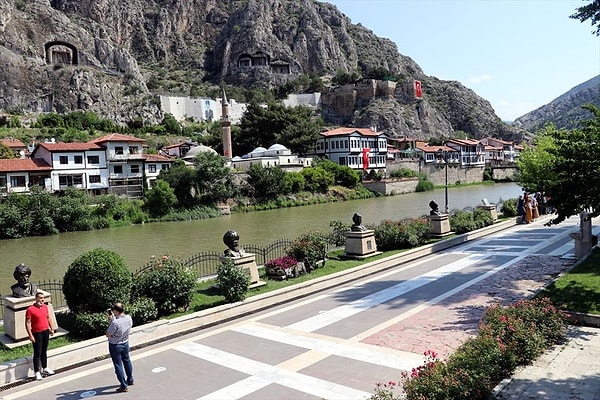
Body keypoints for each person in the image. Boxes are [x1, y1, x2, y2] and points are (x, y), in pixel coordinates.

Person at [25, 292, 55, 381]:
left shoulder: (45, 307)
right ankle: (37, 372)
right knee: (37, 353)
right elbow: (27, 323)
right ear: (36, 298)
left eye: (43, 298)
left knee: (44, 351)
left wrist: (51, 328)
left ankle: (45, 368)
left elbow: (48, 317)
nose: (42, 300)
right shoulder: (30, 310)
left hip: (45, 331)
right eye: (40, 298)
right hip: (37, 333)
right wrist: (30, 335)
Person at [106, 302, 134, 393]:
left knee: (118, 365)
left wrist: (111, 321)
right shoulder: (129, 318)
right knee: (127, 361)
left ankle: (123, 385)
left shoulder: (115, 322)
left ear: (115, 311)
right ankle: (130, 379)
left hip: (115, 345)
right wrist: (113, 320)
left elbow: (108, 334)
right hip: (125, 343)